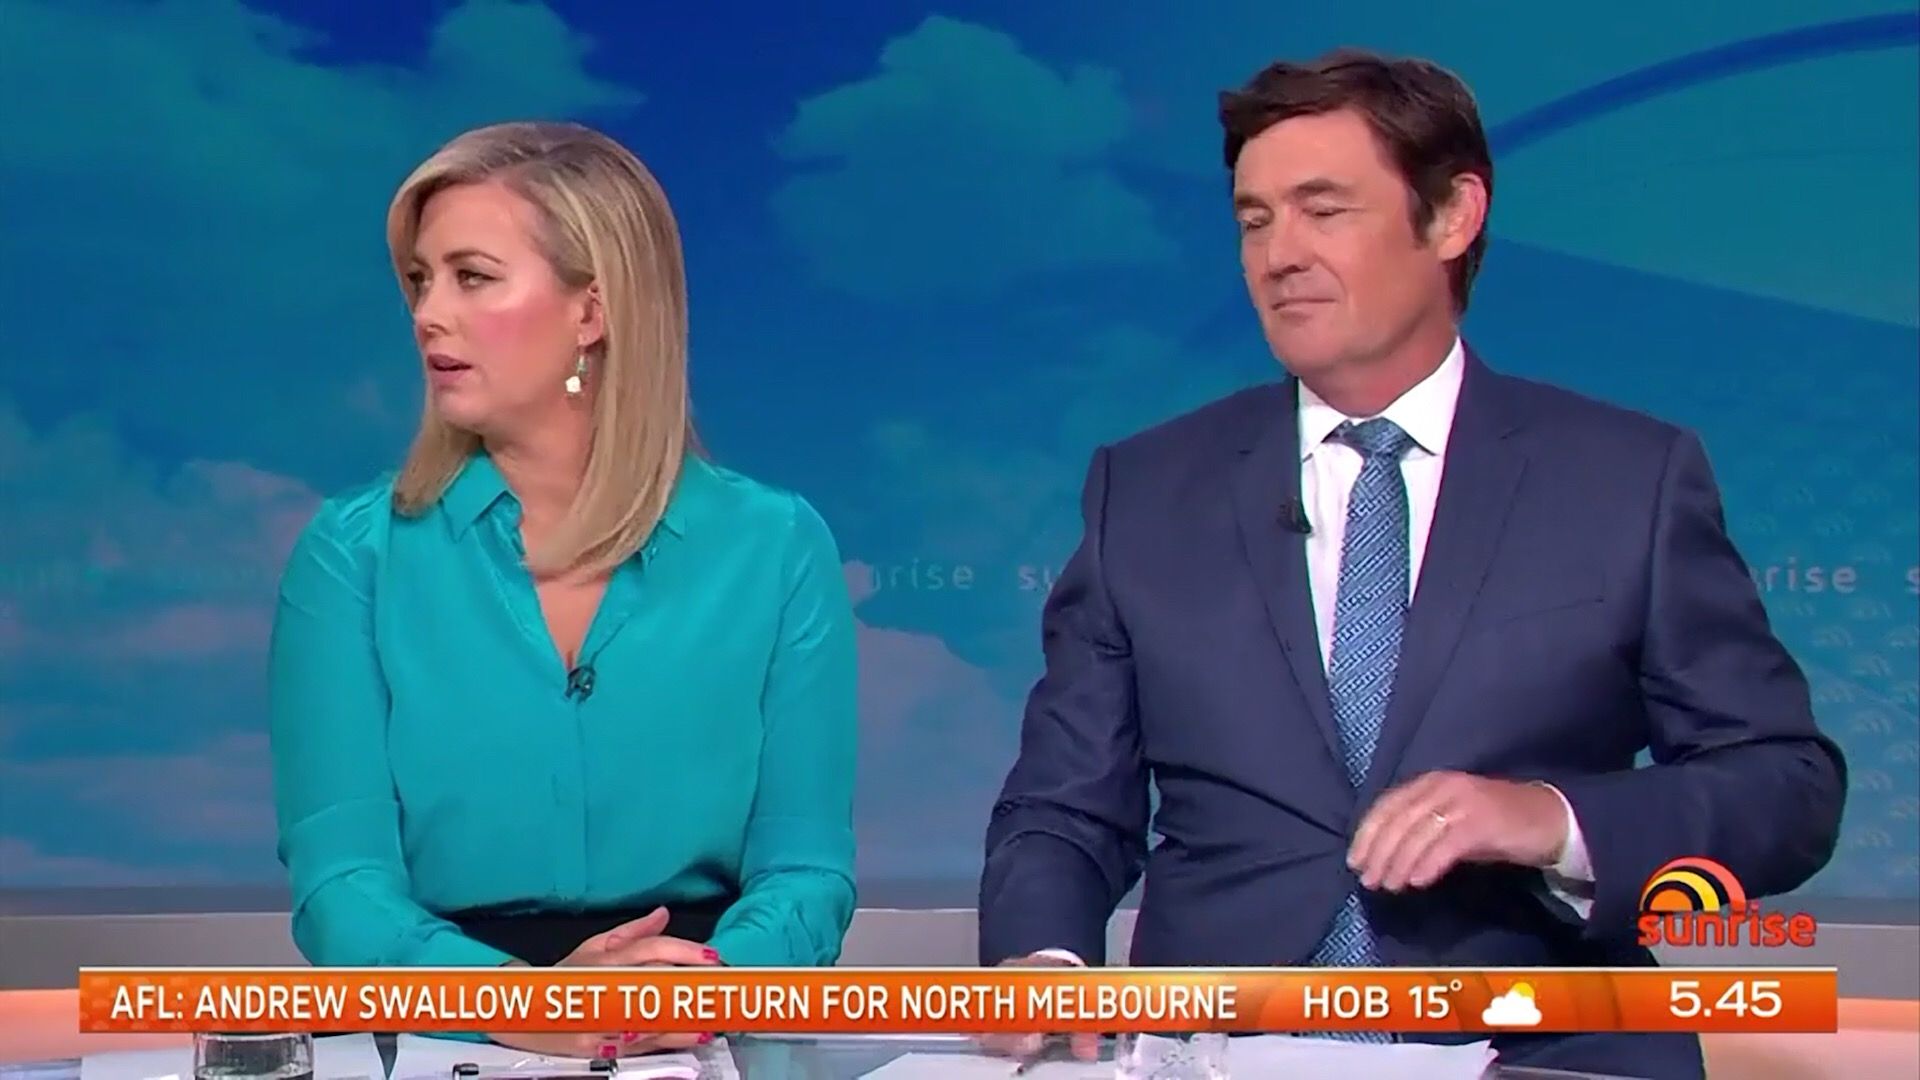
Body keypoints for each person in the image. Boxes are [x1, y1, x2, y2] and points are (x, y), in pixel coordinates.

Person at [976, 49, 1844, 1077]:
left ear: (1452, 216)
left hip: (1543, 1044)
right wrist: (1044, 959)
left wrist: (1550, 818)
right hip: (1220, 1050)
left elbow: (1785, 785)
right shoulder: (1146, 491)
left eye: (1323, 210)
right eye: (1255, 220)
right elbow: (1065, 805)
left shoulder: (1627, 479)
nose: (1279, 255)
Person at [268, 121, 858, 1058]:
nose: (428, 314)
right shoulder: (353, 556)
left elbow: (808, 873)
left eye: (472, 277)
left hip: (698, 1029)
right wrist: (532, 1006)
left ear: (592, 310)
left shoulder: (774, 546)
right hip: (436, 1029)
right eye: (420, 280)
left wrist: (697, 989)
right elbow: (341, 893)